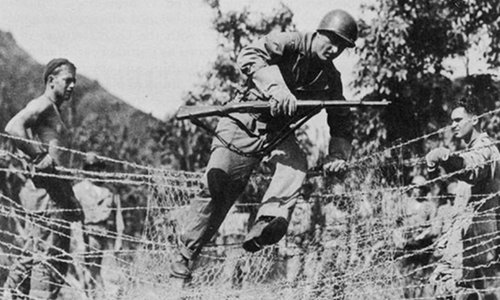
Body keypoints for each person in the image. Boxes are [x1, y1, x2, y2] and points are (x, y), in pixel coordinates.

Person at [171, 9, 358, 279]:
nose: (335, 49)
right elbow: (249, 54)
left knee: (295, 167)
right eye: (332, 40)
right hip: (242, 124)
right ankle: (185, 254)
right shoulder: (290, 41)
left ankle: (267, 223)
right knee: (218, 186)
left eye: (342, 46)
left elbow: (341, 119)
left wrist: (337, 155)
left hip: (278, 134)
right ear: (319, 33)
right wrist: (277, 88)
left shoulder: (331, 79)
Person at [2, 58, 83, 300]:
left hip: (54, 193)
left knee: (37, 251)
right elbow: (13, 126)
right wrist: (38, 157)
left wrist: (70, 198)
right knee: (49, 260)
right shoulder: (43, 104)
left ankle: (10, 293)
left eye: (74, 82)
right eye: (67, 80)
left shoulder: (52, 110)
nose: (72, 86)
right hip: (48, 194)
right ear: (51, 81)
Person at [425, 95, 500, 299]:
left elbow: (472, 168)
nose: (453, 125)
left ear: (475, 119)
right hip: (468, 235)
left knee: (462, 290)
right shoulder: (475, 148)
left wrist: (445, 156)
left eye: (458, 120)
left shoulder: (483, 148)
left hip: (475, 238)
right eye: (452, 121)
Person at [72, 152, 124, 299]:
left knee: (109, 276)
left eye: (99, 168)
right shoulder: (79, 190)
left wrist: (119, 239)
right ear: (87, 169)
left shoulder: (110, 191)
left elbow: (119, 216)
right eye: (93, 168)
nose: (97, 171)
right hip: (87, 235)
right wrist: (81, 243)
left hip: (106, 237)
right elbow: (76, 219)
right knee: (87, 277)